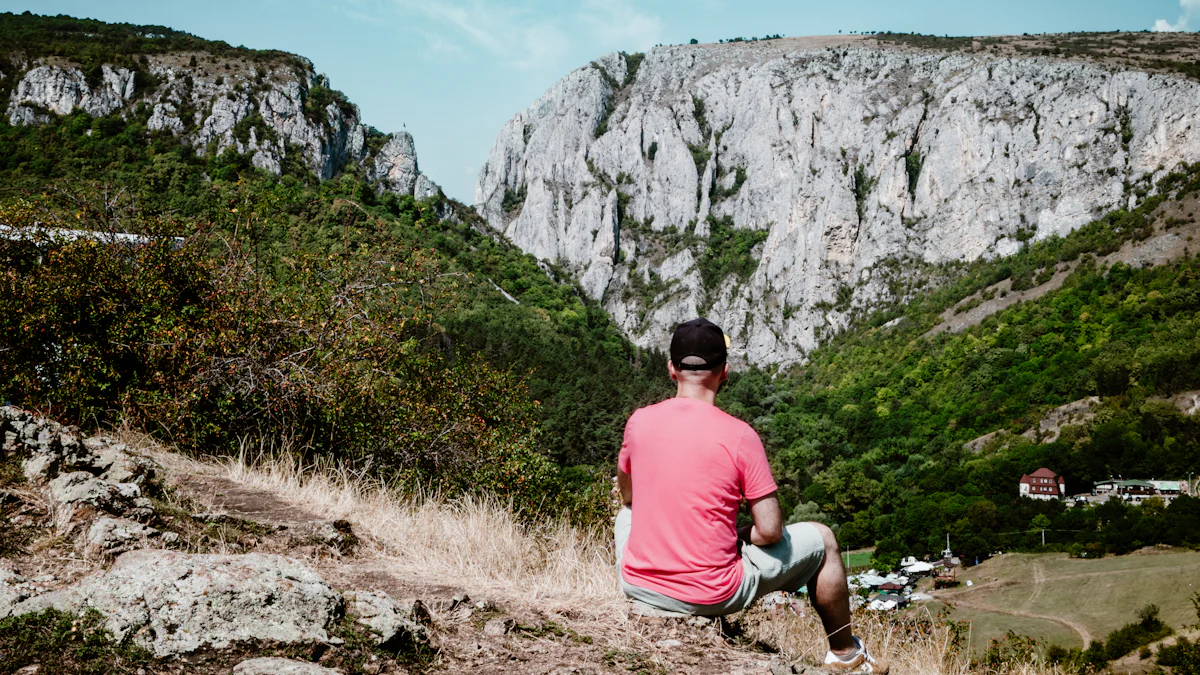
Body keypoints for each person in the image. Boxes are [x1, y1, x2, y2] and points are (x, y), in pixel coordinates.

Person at [614, 318, 889, 674]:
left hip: (639, 587)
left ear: (671, 369)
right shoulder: (740, 435)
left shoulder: (638, 421)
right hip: (712, 594)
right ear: (724, 372)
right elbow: (771, 530)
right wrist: (737, 534)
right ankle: (845, 653)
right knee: (824, 539)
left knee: (628, 515)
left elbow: (628, 495)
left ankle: (655, 581)